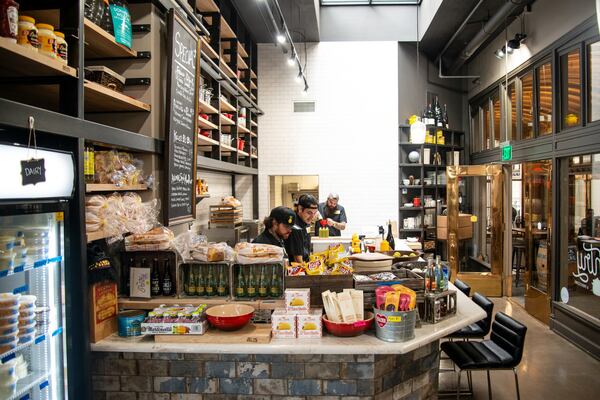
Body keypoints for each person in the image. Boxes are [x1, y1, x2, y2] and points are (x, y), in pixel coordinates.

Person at [285, 194, 319, 263]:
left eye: (314, 213)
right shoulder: (295, 227)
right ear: (300, 209)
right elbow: (297, 259)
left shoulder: (306, 222)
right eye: (309, 213)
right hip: (297, 268)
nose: (312, 217)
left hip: (305, 262)